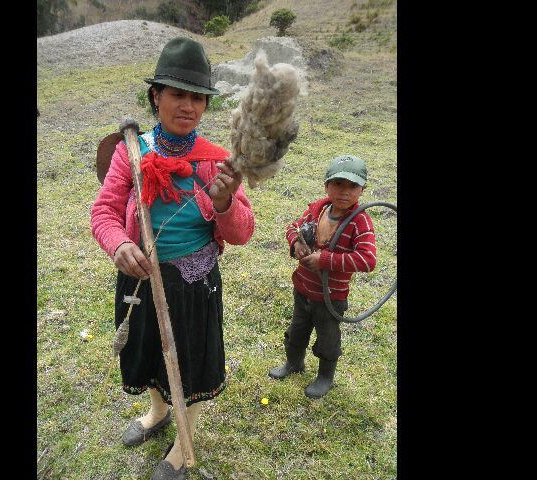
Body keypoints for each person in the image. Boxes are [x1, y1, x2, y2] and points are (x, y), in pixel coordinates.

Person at [90, 37, 255, 480]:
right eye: (178, 94)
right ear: (155, 97)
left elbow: (241, 233)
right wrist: (118, 245)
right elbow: (104, 211)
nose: (188, 106)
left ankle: (183, 444)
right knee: (150, 353)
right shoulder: (132, 150)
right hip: (140, 277)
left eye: (197, 97)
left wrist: (224, 204)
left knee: (190, 361)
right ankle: (158, 413)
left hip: (193, 282)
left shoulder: (217, 163)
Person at [268, 155, 377, 399]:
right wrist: (296, 242)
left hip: (331, 298)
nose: (344, 192)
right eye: (338, 184)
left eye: (352, 186)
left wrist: (325, 260)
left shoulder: (360, 222)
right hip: (303, 289)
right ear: (326, 185)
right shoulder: (317, 209)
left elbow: (367, 259)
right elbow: (292, 227)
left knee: (328, 339)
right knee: (296, 331)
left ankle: (326, 377)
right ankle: (294, 363)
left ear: (363, 190)